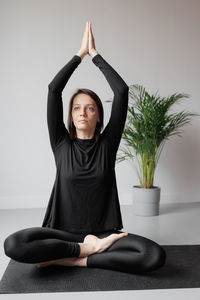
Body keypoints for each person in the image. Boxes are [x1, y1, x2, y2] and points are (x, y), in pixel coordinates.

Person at [3, 21, 166, 274]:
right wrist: (79, 55)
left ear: (98, 116)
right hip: (60, 233)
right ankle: (83, 251)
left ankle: (77, 259)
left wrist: (95, 55)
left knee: (154, 255)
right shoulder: (60, 143)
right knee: (13, 244)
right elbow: (53, 90)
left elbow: (121, 91)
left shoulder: (108, 144)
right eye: (77, 108)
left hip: (103, 233)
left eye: (90, 108)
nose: (82, 113)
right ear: (70, 115)